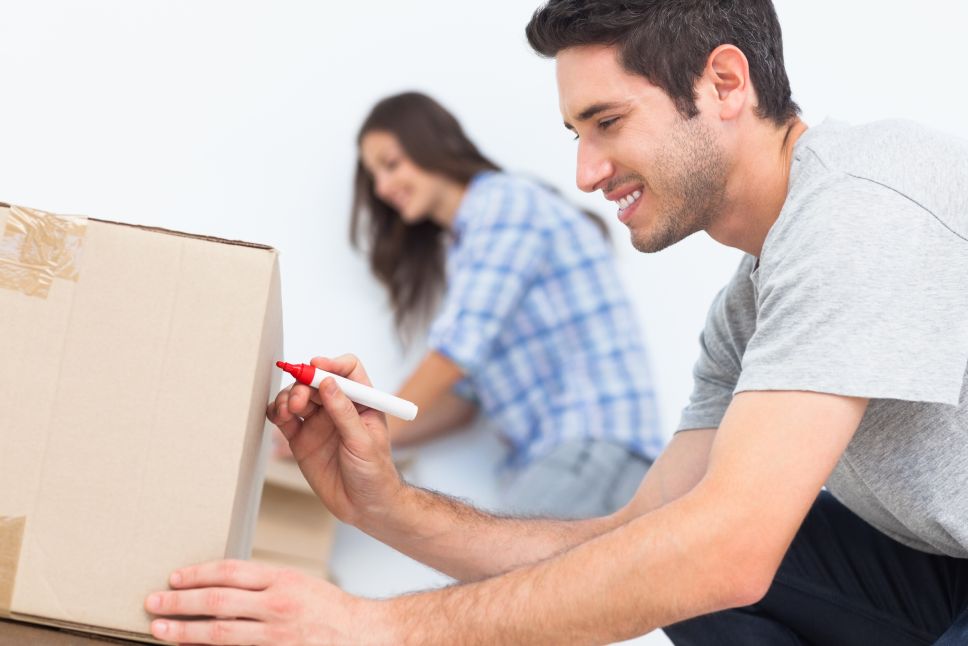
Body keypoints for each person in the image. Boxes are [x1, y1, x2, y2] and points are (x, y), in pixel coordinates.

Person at [144, 1, 968, 644]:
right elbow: (632, 536)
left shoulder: (862, 207)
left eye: (607, 123)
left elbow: (728, 549)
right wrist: (382, 506)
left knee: (708, 553)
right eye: (576, 134)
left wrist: (372, 627)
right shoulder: (749, 309)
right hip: (942, 577)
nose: (583, 174)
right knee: (662, 554)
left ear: (724, 83)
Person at [346, 91, 664, 518]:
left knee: (495, 580)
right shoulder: (468, 249)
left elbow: (455, 351)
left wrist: (366, 429)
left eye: (390, 164)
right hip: (574, 455)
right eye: (374, 176)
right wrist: (351, 439)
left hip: (594, 442)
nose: (383, 188)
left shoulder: (504, 204)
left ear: (430, 144)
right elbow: (460, 404)